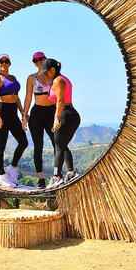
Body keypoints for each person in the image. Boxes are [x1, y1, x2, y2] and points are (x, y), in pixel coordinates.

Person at [0, 53, 28, 188]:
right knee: (1, 145)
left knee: (23, 142)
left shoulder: (13, 78)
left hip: (13, 113)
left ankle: (12, 168)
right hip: (2, 112)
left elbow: (16, 97)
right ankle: (1, 175)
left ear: (9, 63)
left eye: (6, 61)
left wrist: (23, 112)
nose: (4, 63)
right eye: (1, 62)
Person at [42, 58, 81, 189]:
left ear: (53, 70)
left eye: (46, 72)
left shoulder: (58, 80)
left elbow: (60, 101)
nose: (45, 75)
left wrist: (56, 117)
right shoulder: (62, 79)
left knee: (58, 146)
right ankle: (71, 173)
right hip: (71, 114)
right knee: (62, 145)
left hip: (65, 114)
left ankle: (56, 177)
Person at [21, 51, 54, 189]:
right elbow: (28, 97)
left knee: (57, 143)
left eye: (41, 59)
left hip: (52, 113)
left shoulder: (53, 75)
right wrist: (24, 116)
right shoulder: (31, 78)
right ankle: (41, 179)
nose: (38, 61)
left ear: (45, 59)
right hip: (37, 113)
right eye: (35, 60)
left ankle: (57, 175)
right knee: (38, 147)